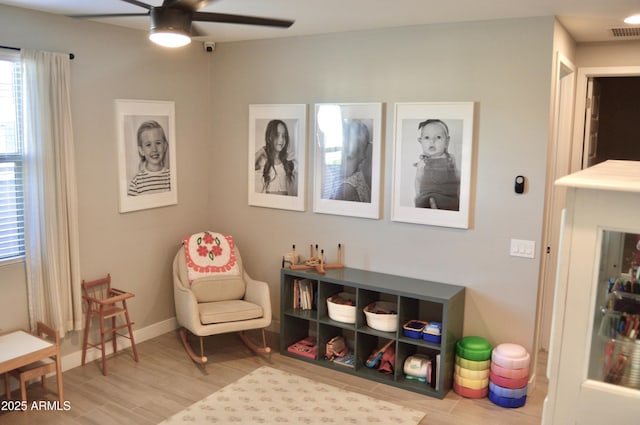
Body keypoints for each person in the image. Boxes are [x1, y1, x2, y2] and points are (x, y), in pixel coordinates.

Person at [413, 119, 460, 210]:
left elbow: (458, 177)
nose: (432, 141)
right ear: (420, 141)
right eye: (427, 137)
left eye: (438, 137)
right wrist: (418, 196)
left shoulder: (451, 159)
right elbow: (418, 180)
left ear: (447, 141)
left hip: (449, 200)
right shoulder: (423, 162)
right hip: (427, 200)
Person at [331, 119, 372, 202]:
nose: (342, 164)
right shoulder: (359, 177)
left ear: (361, 159)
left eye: (348, 158)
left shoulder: (346, 188)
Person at [127, 120, 171, 196]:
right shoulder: (136, 182)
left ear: (165, 146)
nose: (154, 149)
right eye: (148, 145)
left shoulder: (171, 177)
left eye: (158, 143)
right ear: (141, 150)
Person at [255, 119, 297, 195]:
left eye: (284, 136)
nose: (281, 140)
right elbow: (248, 166)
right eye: (277, 135)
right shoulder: (264, 160)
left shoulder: (288, 160)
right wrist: (262, 150)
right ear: (270, 137)